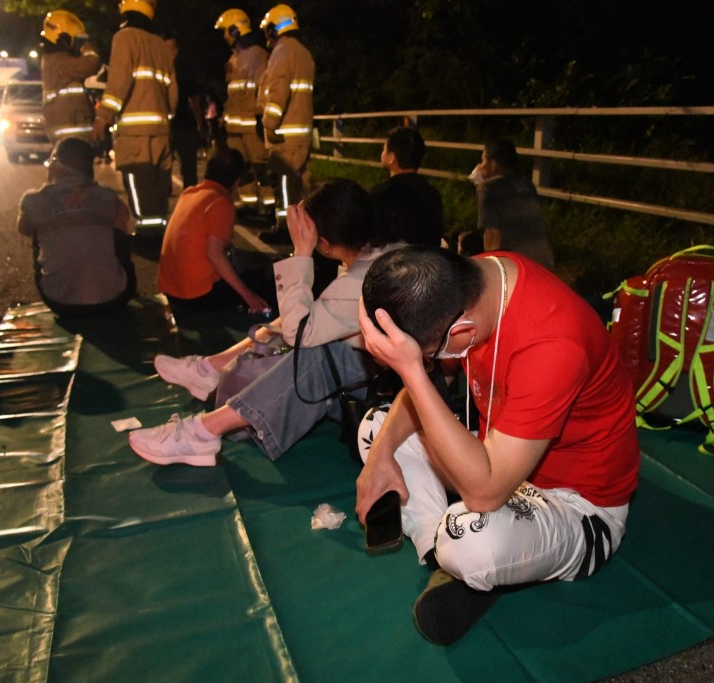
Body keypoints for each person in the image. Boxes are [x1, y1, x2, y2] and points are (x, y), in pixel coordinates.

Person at [356, 246, 640, 645]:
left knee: (470, 541)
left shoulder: (554, 344)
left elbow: (486, 493)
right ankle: (450, 558)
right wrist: (381, 457)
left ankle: (463, 554)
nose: (427, 364)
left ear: (461, 333)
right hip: (500, 456)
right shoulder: (476, 279)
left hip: (577, 504)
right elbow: (426, 406)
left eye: (426, 356)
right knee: (377, 429)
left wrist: (411, 371)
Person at [128, 178, 402, 465]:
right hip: (390, 369)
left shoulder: (362, 280)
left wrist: (301, 253)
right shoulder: (387, 250)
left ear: (324, 243)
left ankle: (204, 432)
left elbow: (299, 334)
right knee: (303, 317)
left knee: (315, 353)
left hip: (385, 385)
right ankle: (210, 368)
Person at [17, 137, 136, 317]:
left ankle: (61, 281)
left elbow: (23, 228)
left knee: (38, 232)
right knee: (116, 230)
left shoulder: (33, 199)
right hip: (115, 299)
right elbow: (124, 217)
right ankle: (113, 280)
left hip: (59, 302)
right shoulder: (107, 196)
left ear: (56, 163)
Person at [156, 147, 270, 319]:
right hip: (197, 296)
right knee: (261, 280)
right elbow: (215, 254)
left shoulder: (189, 193)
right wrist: (249, 295)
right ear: (237, 181)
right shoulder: (221, 203)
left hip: (171, 291)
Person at [93, 0, 177, 230]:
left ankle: (147, 231)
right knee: (159, 183)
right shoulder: (161, 46)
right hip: (161, 131)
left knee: (138, 180)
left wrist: (103, 116)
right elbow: (173, 94)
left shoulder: (124, 38)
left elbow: (118, 83)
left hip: (134, 132)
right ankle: (159, 228)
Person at [256, 4, 315, 245]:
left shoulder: (282, 53)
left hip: (284, 136)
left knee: (285, 184)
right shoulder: (304, 53)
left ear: (274, 29)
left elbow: (278, 92)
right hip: (300, 133)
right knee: (302, 184)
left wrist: (269, 123)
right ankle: (306, 230)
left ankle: (285, 229)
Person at [215, 8, 271, 215]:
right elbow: (232, 93)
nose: (224, 36)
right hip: (235, 126)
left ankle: (269, 205)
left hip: (251, 124)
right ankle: (249, 204)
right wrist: (224, 118)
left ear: (235, 29)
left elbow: (263, 89)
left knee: (261, 166)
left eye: (226, 31)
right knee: (242, 167)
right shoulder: (234, 58)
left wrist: (260, 117)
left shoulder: (258, 55)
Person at [471, 138, 555, 270]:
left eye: (483, 161)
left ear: (493, 164)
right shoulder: (527, 184)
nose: (480, 166)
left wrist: (492, 270)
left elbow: (492, 234)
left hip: (517, 265)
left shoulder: (487, 188)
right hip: (544, 262)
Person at [369, 126, 444, 247]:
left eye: (384, 149)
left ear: (391, 158)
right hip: (429, 262)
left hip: (394, 263)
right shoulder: (432, 194)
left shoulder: (381, 195)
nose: (381, 153)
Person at [39, 9, 101, 143]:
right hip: (71, 136)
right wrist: (87, 47)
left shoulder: (53, 59)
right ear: (64, 38)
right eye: (76, 39)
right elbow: (91, 64)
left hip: (70, 133)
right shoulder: (58, 61)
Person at [164, 33, 206, 189]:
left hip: (183, 122)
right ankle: (165, 194)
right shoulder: (160, 67)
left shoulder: (184, 68)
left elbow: (195, 98)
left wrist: (199, 123)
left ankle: (190, 195)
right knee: (164, 163)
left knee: (188, 165)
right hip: (165, 124)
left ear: (176, 49)